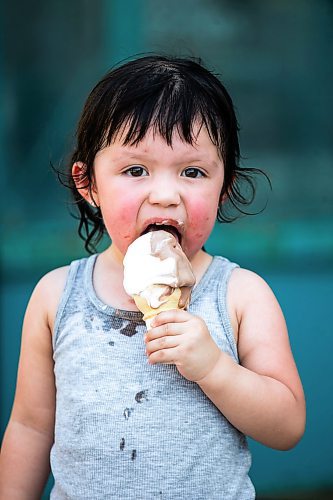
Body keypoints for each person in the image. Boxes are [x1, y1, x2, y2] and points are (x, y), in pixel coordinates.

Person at [0, 55, 305, 499]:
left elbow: (288, 425)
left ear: (224, 188)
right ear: (89, 185)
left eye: (193, 172)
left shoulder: (240, 295)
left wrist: (215, 368)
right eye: (136, 170)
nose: (165, 195)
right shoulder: (56, 297)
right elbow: (29, 427)